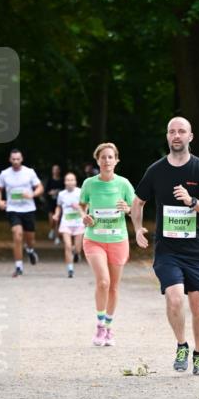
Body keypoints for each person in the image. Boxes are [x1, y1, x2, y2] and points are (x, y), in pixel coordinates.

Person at [132, 117, 199, 375]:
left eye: (182, 131)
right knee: (173, 298)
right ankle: (182, 345)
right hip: (167, 250)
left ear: (190, 137)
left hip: (196, 251)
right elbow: (138, 203)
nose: (177, 135)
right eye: (172, 131)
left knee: (197, 305)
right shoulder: (156, 170)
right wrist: (137, 229)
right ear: (167, 136)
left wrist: (193, 202)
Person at [79, 143, 135, 346]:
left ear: (116, 160)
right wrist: (84, 216)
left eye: (110, 157)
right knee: (103, 281)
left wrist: (127, 208)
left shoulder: (124, 184)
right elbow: (81, 204)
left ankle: (109, 327)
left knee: (113, 286)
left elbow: (136, 207)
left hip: (118, 240)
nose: (107, 160)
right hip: (94, 239)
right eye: (103, 157)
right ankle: (100, 326)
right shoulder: (89, 184)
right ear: (98, 160)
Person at [0, 149, 43, 277]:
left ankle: (30, 250)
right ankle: (18, 267)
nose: (15, 161)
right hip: (12, 209)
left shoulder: (29, 172)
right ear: (10, 160)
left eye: (18, 159)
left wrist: (32, 194)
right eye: (13, 159)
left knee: (30, 239)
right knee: (17, 235)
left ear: (21, 159)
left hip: (28, 209)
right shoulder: (4, 174)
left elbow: (40, 187)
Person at [53, 172, 84, 278]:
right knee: (67, 246)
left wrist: (79, 208)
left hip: (79, 223)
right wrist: (56, 214)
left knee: (78, 248)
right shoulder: (61, 194)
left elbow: (87, 206)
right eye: (67, 180)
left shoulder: (80, 192)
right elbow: (58, 206)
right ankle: (70, 269)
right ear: (64, 182)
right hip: (66, 222)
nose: (70, 182)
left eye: (72, 180)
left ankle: (76, 253)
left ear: (75, 182)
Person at [45, 164, 64, 243]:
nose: (55, 171)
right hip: (51, 203)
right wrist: (51, 192)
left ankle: (57, 238)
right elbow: (46, 192)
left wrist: (58, 192)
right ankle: (52, 229)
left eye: (57, 169)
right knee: (51, 220)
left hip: (59, 204)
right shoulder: (50, 180)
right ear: (52, 171)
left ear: (59, 170)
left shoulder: (62, 180)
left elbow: (65, 191)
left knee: (57, 220)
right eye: (54, 169)